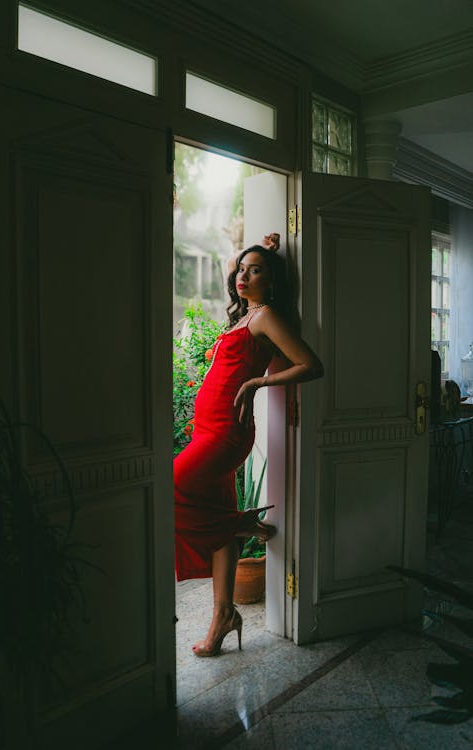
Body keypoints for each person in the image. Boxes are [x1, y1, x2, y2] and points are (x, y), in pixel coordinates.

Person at [174, 233, 324, 657]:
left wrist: (259, 381)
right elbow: (237, 265)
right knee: (221, 538)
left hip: (227, 431)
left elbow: (311, 366)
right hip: (206, 427)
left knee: (170, 486)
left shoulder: (265, 316)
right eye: (241, 269)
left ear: (271, 281)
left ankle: (240, 522)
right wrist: (257, 247)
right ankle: (224, 615)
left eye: (255, 270)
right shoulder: (244, 315)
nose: (242, 275)